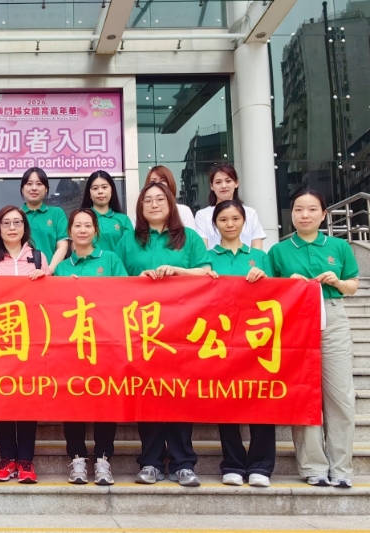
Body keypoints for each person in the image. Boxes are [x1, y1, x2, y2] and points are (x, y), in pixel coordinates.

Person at [115, 182, 214, 487]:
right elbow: (116, 280)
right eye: (148, 200)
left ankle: (183, 462)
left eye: (160, 199)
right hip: (141, 329)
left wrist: (176, 270)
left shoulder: (189, 237)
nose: (154, 204)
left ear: (171, 203)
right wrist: (138, 278)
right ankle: (151, 462)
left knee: (179, 393)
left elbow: (207, 272)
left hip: (181, 328)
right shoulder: (129, 240)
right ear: (140, 207)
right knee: (146, 394)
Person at [268, 189, 359, 489]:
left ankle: (341, 468)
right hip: (295, 320)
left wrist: (338, 281)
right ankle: (313, 466)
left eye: (311, 209)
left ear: (323, 214)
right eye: (298, 209)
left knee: (340, 395)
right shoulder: (279, 251)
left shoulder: (339, 246)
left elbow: (352, 286)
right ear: (291, 214)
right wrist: (288, 284)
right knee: (304, 392)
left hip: (332, 315)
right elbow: (268, 291)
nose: (304, 215)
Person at [0, 205, 49, 483]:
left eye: (17, 222)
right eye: (6, 223)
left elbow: (52, 298)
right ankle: (7, 459)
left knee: (27, 397)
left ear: (25, 227)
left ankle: (26, 460)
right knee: (2, 398)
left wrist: (45, 279)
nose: (12, 227)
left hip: (31, 339)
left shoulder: (38, 258)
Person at [55, 208, 127, 485]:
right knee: (72, 402)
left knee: (104, 401)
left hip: (105, 344)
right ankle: (77, 459)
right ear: (70, 232)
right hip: (71, 347)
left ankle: (103, 459)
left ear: (96, 230)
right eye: (77, 225)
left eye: (88, 225)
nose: (82, 230)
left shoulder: (110, 259)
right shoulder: (62, 268)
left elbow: (125, 295)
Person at [207, 200, 275, 488]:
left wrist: (265, 278)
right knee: (226, 399)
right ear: (215, 224)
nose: (230, 224)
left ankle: (261, 465)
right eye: (223, 219)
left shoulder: (259, 257)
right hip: (221, 338)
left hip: (256, 339)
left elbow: (278, 293)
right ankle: (233, 464)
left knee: (262, 399)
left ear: (244, 222)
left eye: (235, 218)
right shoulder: (207, 258)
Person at [194, 164, 266, 250]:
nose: (224, 186)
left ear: (236, 183)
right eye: (218, 182)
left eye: (228, 181)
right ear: (212, 186)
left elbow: (257, 247)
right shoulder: (202, 215)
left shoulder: (250, 213)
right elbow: (202, 249)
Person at [20, 167, 69, 273]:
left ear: (46, 189)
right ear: (22, 189)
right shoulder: (16, 215)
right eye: (29, 184)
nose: (34, 188)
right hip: (21, 275)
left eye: (39, 184)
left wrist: (48, 271)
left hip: (50, 275)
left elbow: (62, 247)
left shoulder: (57, 213)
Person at [80, 170, 133, 252]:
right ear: (89, 193)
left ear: (112, 191)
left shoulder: (124, 220)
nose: (100, 191)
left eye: (104, 187)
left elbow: (129, 250)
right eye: (95, 188)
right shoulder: (80, 219)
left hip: (117, 261)